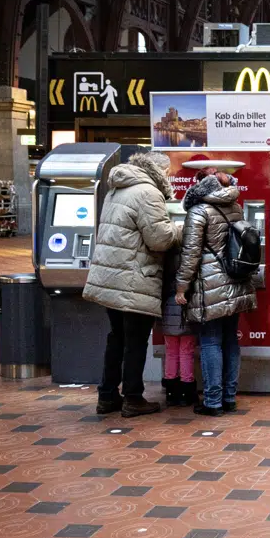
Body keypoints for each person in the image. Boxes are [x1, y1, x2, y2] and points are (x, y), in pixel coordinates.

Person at [83, 151, 181, 417]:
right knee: (136, 340)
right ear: (159, 171)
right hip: (134, 276)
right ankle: (134, 398)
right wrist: (181, 229)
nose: (169, 178)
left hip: (111, 275)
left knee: (117, 337)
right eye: (168, 173)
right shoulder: (148, 192)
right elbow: (159, 239)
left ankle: (107, 395)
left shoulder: (118, 188)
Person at [177, 168, 258, 417]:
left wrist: (181, 287)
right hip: (235, 281)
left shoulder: (198, 211)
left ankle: (213, 401)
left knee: (211, 341)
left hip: (209, 284)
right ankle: (229, 398)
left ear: (202, 186)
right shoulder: (235, 206)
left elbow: (190, 254)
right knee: (230, 339)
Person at [159, 239, 197, 408]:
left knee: (171, 351)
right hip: (184, 310)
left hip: (167, 309)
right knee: (186, 351)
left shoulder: (165, 259)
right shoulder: (188, 260)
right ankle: (186, 391)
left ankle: (171, 392)